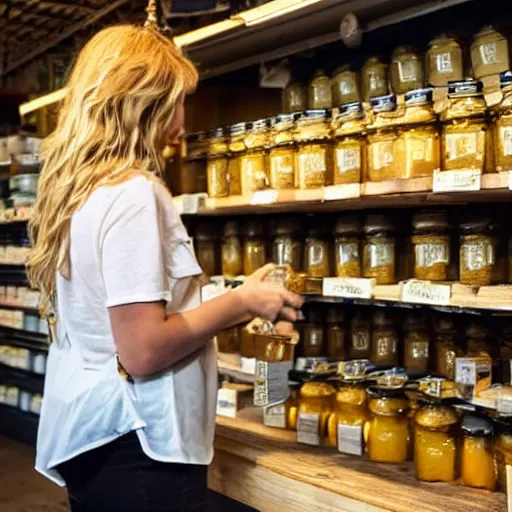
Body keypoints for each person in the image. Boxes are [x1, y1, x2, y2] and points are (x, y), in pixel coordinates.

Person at [27, 10, 303, 512]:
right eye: (179, 102)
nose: (182, 121)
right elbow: (143, 349)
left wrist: (231, 295)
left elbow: (124, 318)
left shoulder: (80, 192)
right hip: (138, 443)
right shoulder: (134, 193)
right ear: (144, 103)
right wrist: (241, 303)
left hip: (96, 438)